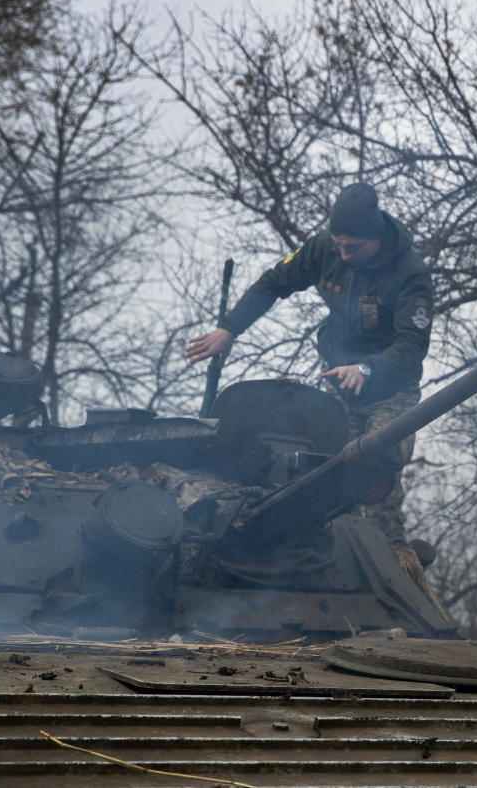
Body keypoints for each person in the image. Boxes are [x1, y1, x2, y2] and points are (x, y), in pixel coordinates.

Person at [185, 182, 433, 554]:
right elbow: (273, 283)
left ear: (376, 237)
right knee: (327, 473)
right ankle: (315, 554)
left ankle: (393, 560)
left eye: (354, 247)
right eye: (339, 244)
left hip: (390, 391)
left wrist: (367, 370)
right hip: (339, 379)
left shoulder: (410, 274)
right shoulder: (325, 248)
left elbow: (412, 348)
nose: (344, 255)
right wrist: (229, 328)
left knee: (375, 475)